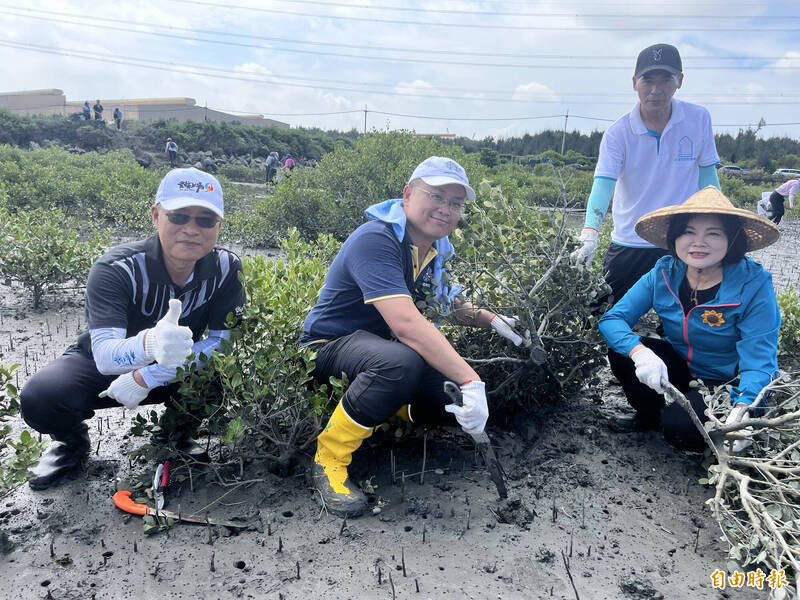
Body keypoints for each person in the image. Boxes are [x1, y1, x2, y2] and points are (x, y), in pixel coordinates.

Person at [301, 156, 531, 517]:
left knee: (446, 398)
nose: (446, 209)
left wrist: (494, 320)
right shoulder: (376, 239)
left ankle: (383, 414)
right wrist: (471, 380)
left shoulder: (433, 250)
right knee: (402, 361)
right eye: (436, 195)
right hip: (325, 348)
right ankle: (329, 458)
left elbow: (447, 303)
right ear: (408, 194)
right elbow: (407, 324)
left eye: (455, 203)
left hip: (373, 352)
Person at [20, 168, 246, 490]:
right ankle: (70, 443)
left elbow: (221, 346)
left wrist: (149, 376)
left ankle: (175, 434)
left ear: (218, 226)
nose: (191, 229)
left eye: (205, 220)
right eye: (179, 216)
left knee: (220, 379)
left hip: (175, 367)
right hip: (104, 363)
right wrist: (149, 346)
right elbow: (106, 355)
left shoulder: (226, 269)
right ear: (156, 216)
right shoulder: (116, 269)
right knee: (41, 397)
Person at [598, 187, 780, 451]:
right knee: (622, 353)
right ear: (675, 237)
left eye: (714, 233)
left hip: (728, 382)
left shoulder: (753, 284)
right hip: (682, 366)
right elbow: (612, 320)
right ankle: (648, 418)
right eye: (688, 231)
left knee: (682, 431)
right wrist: (640, 353)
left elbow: (760, 362)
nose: (698, 242)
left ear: (733, 239)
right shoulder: (664, 272)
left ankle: (708, 419)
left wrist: (744, 409)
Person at [571, 43, 721, 305]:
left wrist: (722, 227)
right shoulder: (618, 133)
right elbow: (603, 185)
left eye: (666, 79)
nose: (656, 89)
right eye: (647, 79)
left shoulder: (698, 119)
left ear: (680, 81)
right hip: (631, 240)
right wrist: (590, 233)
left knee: (687, 319)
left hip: (681, 242)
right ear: (634, 82)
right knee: (603, 313)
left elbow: (708, 179)